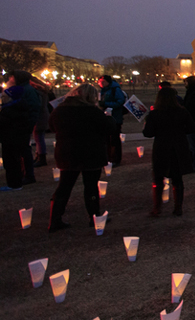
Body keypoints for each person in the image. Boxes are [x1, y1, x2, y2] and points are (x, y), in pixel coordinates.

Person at [46, 84, 115, 230]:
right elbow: (108, 129)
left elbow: (52, 127)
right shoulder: (92, 112)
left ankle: (55, 219)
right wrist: (108, 118)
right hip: (90, 153)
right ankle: (94, 217)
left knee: (64, 186)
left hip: (67, 153)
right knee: (90, 187)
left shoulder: (59, 111)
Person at [142, 86, 195, 216]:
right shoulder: (182, 112)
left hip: (162, 148)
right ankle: (178, 208)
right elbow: (191, 128)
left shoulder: (155, 114)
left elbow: (148, 133)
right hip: (178, 148)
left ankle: (157, 208)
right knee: (177, 179)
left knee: (158, 179)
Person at [1, 70, 41, 190]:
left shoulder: (27, 91)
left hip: (20, 128)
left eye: (12, 77)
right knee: (20, 153)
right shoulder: (22, 90)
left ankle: (27, 175)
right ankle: (22, 175)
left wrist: (28, 125)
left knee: (22, 153)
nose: (10, 79)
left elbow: (33, 109)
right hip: (20, 127)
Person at [98, 74, 127, 166]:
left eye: (103, 82)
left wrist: (106, 104)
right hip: (106, 117)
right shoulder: (104, 90)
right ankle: (108, 158)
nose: (101, 84)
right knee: (106, 139)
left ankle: (115, 159)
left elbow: (120, 101)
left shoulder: (116, 90)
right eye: (100, 82)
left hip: (115, 117)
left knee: (114, 139)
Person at [31, 76, 54, 167]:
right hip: (43, 115)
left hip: (40, 116)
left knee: (39, 137)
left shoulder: (38, 93)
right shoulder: (43, 91)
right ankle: (39, 156)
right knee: (39, 137)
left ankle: (41, 157)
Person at [182, 75, 195, 172]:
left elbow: (192, 108)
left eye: (186, 82)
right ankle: (190, 163)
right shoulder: (190, 93)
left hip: (192, 121)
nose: (185, 84)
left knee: (193, 144)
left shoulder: (194, 94)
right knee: (189, 144)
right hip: (189, 121)